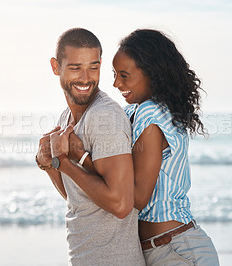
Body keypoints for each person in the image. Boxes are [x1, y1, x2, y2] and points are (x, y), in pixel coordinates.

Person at [66, 29, 220, 265]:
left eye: (124, 75)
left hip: (177, 251)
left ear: (152, 74)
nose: (116, 83)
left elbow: (137, 197)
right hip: (163, 249)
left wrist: (79, 157)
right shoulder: (133, 111)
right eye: (114, 74)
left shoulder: (151, 113)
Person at [35, 28, 145, 266]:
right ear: (56, 67)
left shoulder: (105, 117)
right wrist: (49, 163)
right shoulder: (66, 118)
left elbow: (120, 204)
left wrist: (63, 162)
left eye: (93, 67)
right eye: (76, 68)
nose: (86, 78)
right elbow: (80, 199)